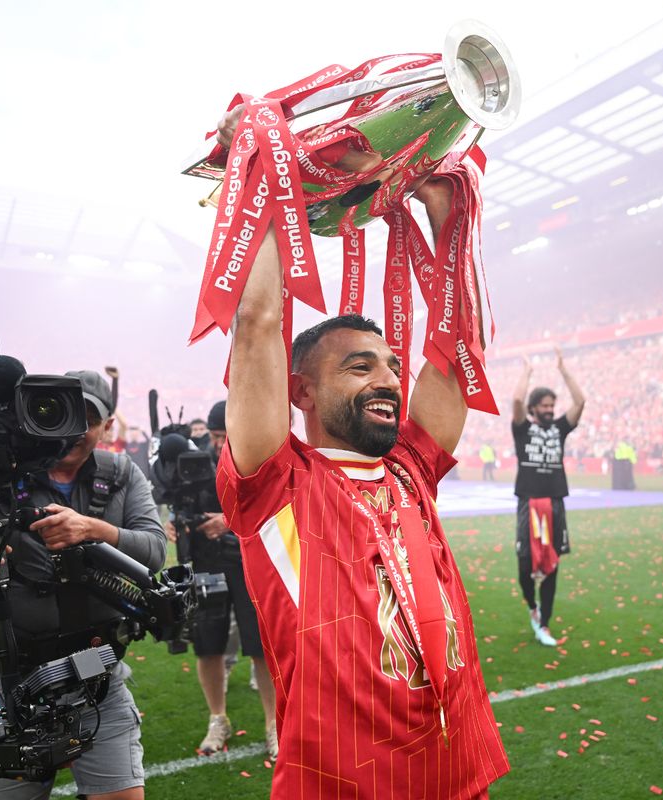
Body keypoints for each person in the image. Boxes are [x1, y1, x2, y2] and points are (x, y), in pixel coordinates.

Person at [215, 116, 509, 795]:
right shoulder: (275, 484)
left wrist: (450, 222)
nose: (386, 378)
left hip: (458, 771)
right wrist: (258, 168)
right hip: (345, 784)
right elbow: (257, 324)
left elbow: (460, 355)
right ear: (303, 391)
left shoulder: (410, 468)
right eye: (358, 367)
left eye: (390, 364)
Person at [0, 370, 165, 800]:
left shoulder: (121, 475)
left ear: (107, 426)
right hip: (4, 681)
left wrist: (93, 529)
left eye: (89, 418)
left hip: (97, 674)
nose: (76, 430)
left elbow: (155, 550)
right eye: (64, 415)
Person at [179, 400, 277, 760]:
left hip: (249, 562)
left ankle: (273, 724)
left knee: (260, 646)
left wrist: (228, 520)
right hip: (205, 563)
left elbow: (275, 510)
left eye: (224, 435)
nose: (219, 444)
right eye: (215, 435)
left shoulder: (256, 456)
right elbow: (178, 503)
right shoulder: (194, 462)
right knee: (208, 646)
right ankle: (217, 718)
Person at [511, 348, 586, 647]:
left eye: (552, 404)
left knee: (552, 563)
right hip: (528, 503)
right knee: (525, 563)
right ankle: (533, 605)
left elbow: (580, 401)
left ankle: (545, 624)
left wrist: (564, 371)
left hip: (554, 502)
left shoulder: (559, 429)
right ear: (533, 408)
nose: (550, 409)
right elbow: (517, 400)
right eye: (544, 405)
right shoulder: (522, 429)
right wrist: (527, 373)